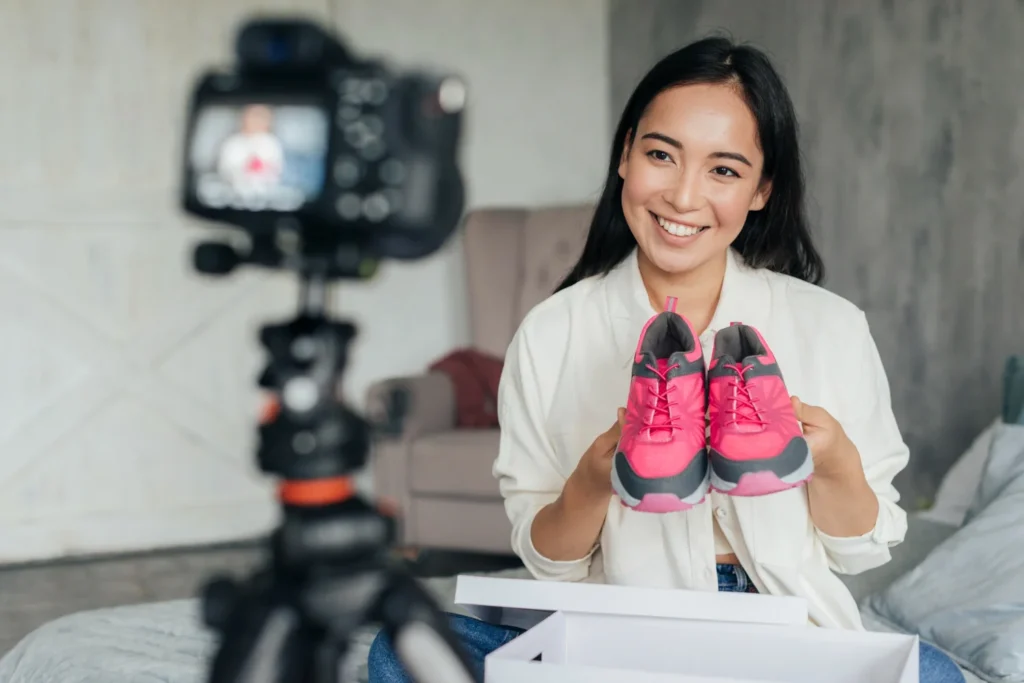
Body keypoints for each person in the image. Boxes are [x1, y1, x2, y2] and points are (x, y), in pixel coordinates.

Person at [368, 36, 965, 683]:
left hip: (782, 630)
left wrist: (834, 458)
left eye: (724, 170)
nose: (683, 197)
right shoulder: (552, 331)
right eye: (661, 155)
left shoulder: (831, 326)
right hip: (618, 623)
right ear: (625, 154)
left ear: (762, 189)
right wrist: (596, 478)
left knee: (934, 675)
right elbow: (548, 559)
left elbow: (861, 549)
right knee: (401, 649)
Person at [216, 104, 284, 196]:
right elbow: (225, 170)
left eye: (262, 117)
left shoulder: (272, 143)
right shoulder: (232, 143)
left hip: (265, 194)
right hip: (234, 193)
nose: (257, 121)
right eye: (254, 116)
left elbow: (277, 170)